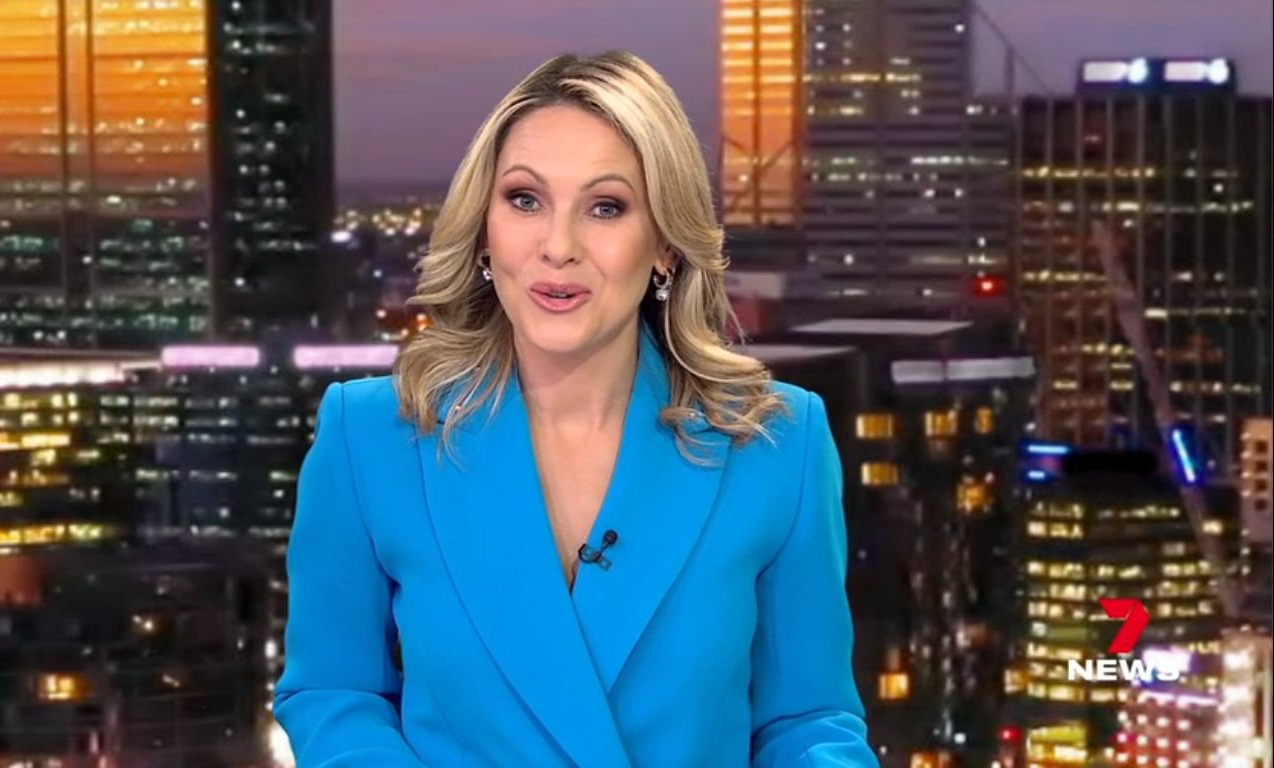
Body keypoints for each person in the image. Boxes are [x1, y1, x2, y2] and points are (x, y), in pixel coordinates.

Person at [273, 50, 878, 767]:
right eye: (525, 200)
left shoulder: (777, 444)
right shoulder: (370, 436)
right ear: (485, 230)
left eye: (606, 207)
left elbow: (807, 721)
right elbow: (335, 694)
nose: (557, 247)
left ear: (664, 245)